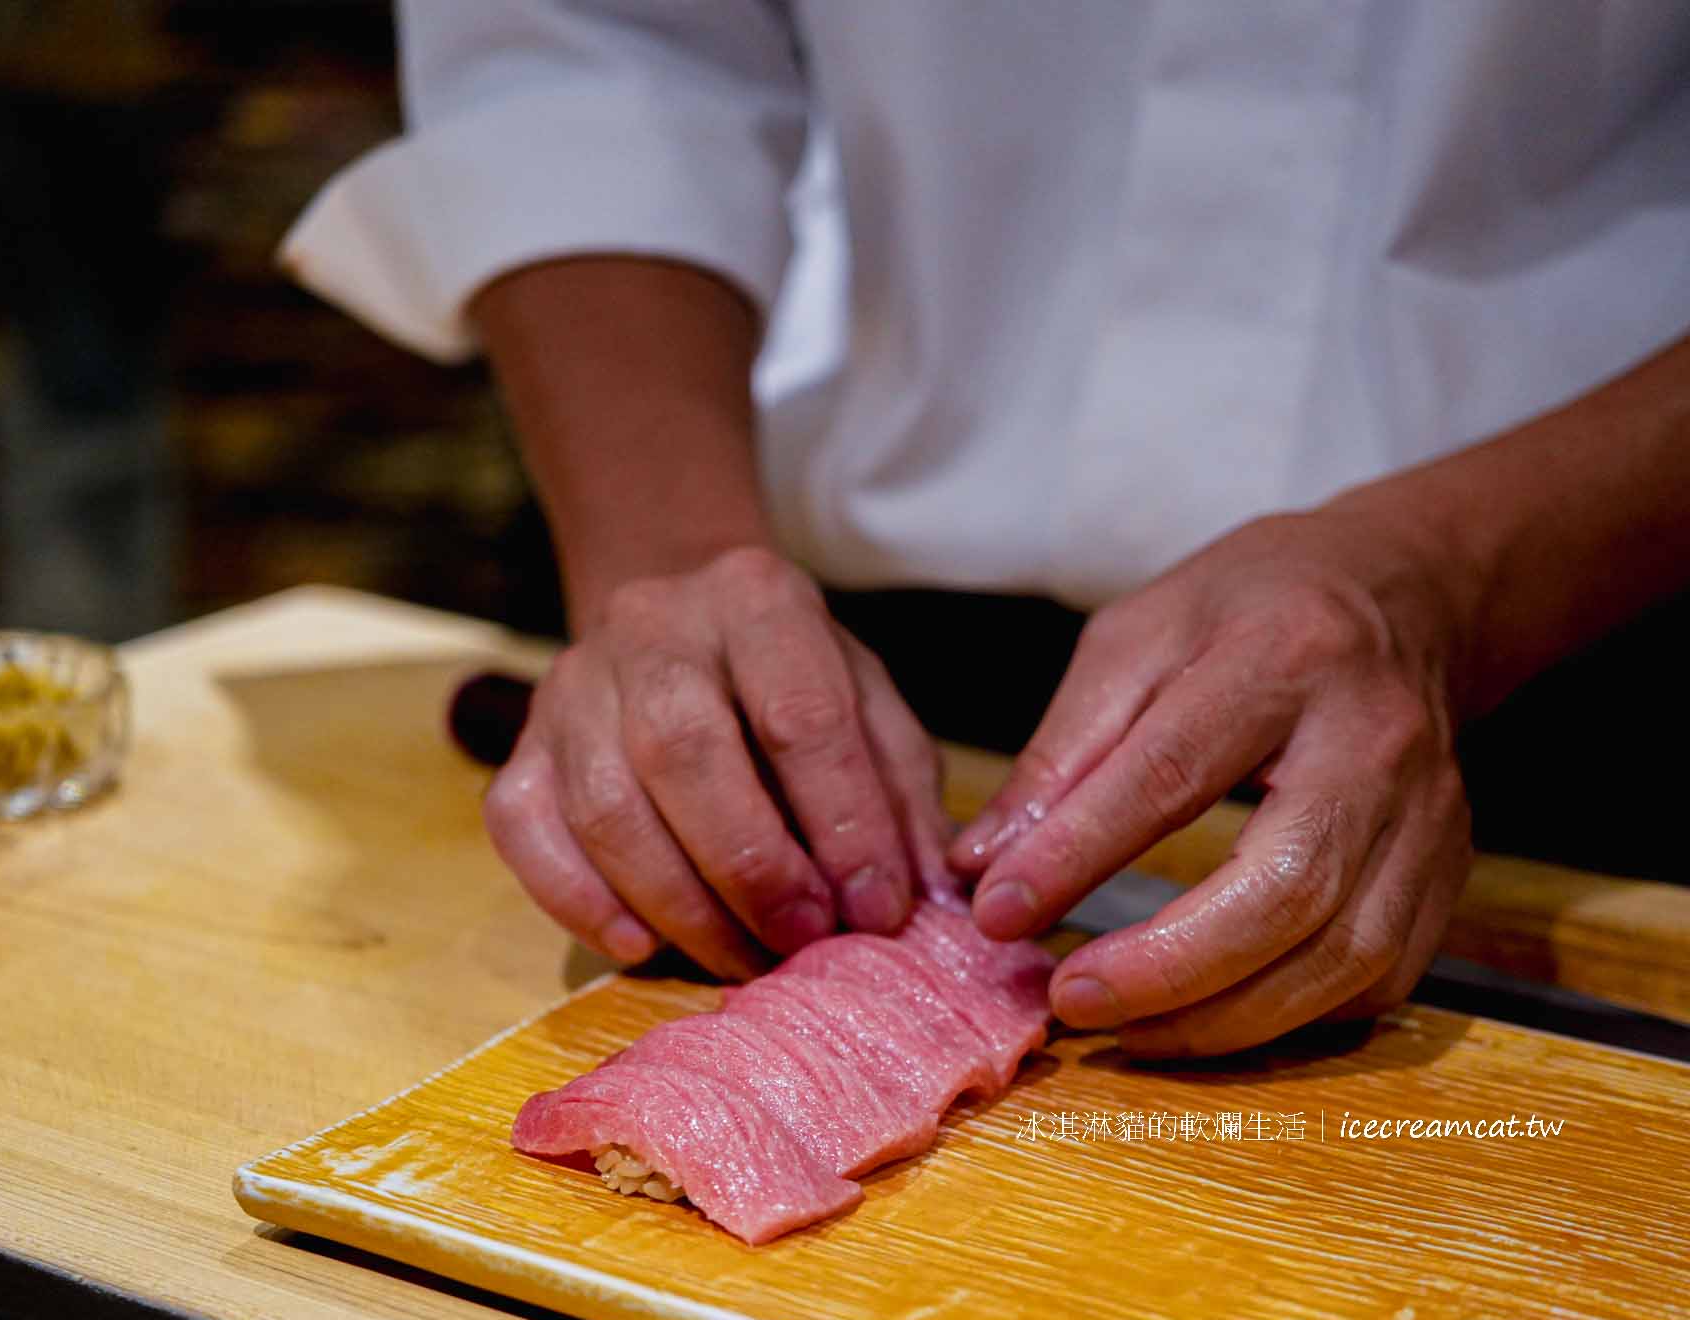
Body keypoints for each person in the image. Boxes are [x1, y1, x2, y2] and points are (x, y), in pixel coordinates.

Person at [282, 3, 1690, 1055]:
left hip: (1592, 666)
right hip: (823, 682)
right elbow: (590, 44)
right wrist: (663, 570)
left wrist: (1448, 580)